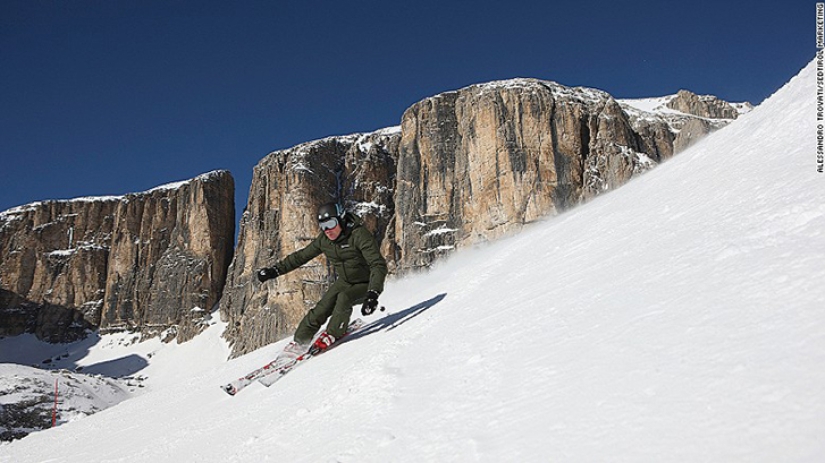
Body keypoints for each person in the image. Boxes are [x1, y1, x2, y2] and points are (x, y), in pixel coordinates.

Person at [256, 202, 388, 355]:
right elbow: (301, 256)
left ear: (341, 219)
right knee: (321, 308)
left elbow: (378, 265)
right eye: (323, 226)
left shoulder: (358, 235)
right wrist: (275, 270)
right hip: (345, 281)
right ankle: (300, 341)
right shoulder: (324, 240)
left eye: (331, 224)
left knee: (344, 298)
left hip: (367, 283)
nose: (327, 230)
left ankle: (333, 333)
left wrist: (373, 294)